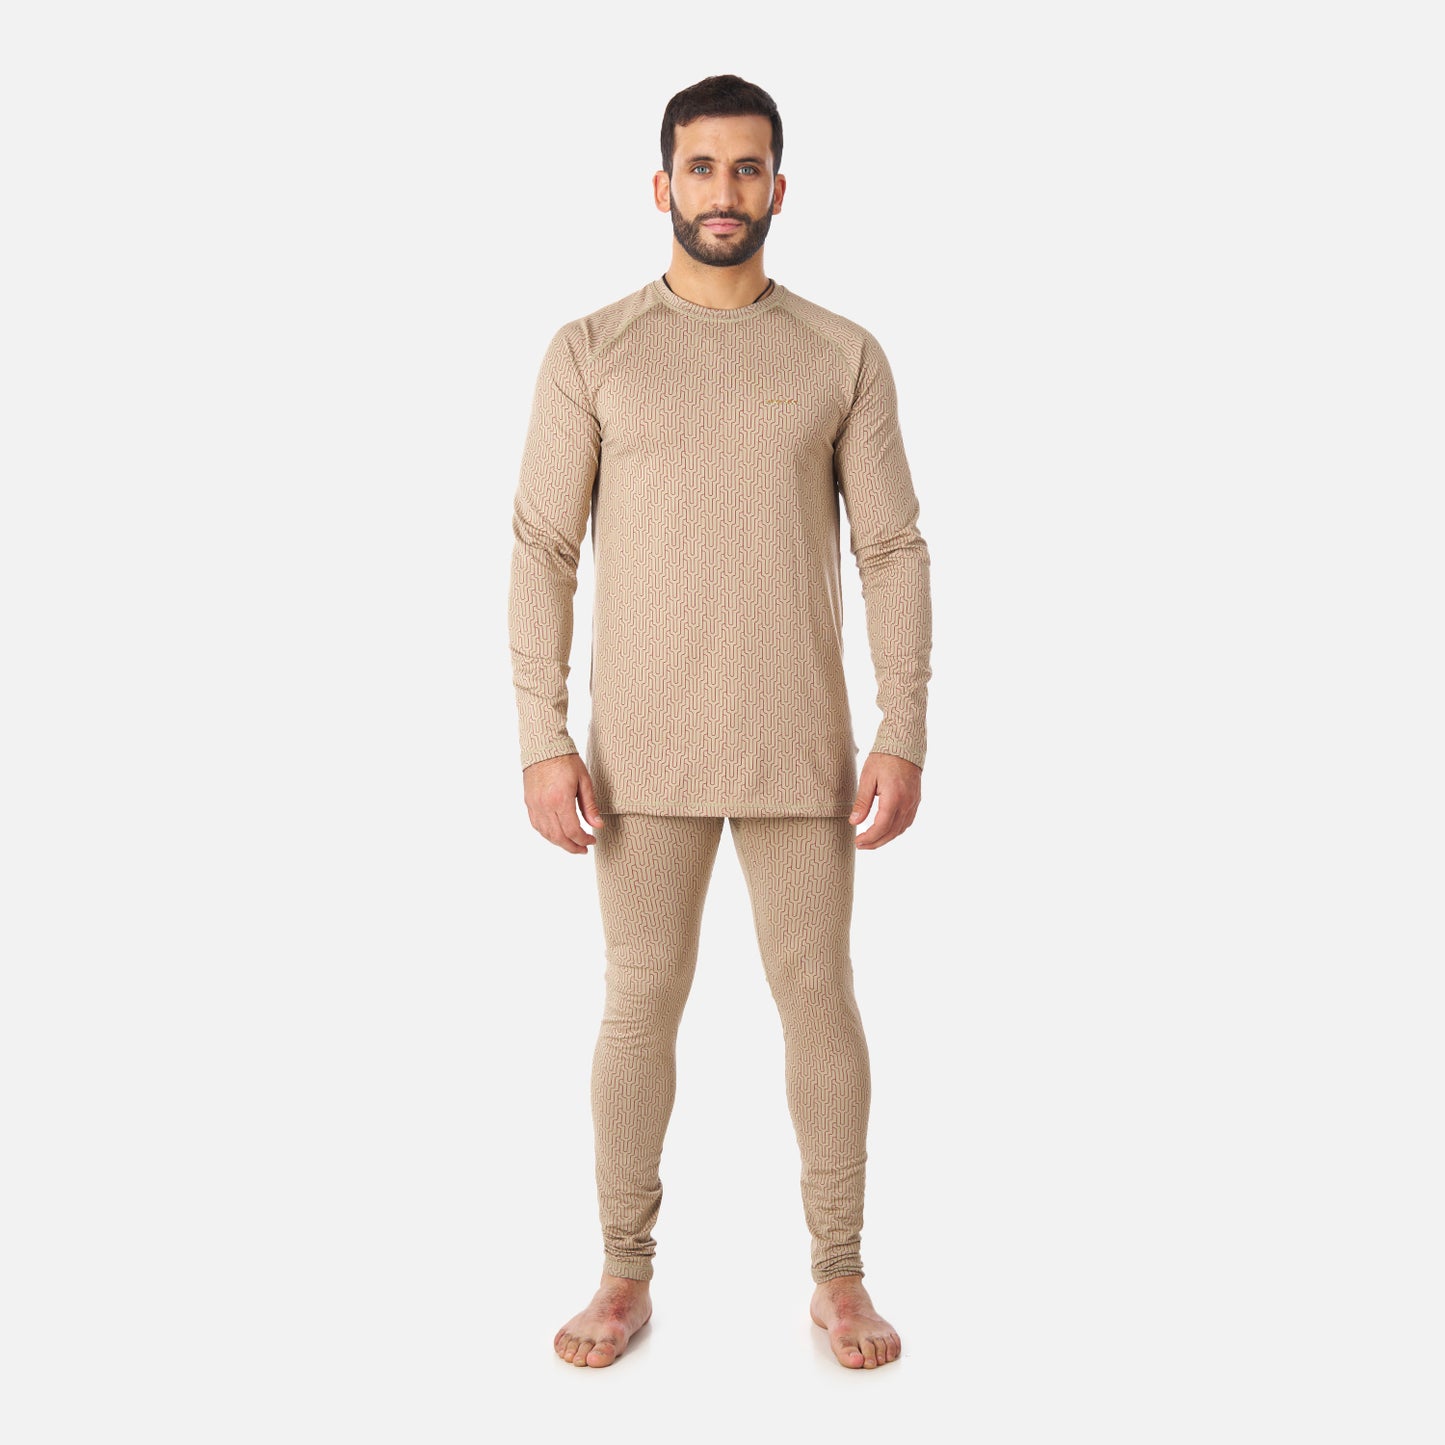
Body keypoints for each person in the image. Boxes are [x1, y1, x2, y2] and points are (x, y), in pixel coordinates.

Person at [508, 74, 932, 1370]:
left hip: (800, 745)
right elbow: (541, 547)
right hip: (638, 756)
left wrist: (902, 724)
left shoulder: (841, 354)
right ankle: (621, 1271)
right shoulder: (591, 350)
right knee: (638, 1006)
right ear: (662, 186)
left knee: (819, 1003)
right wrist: (541, 733)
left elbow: (892, 549)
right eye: (701, 168)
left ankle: (840, 1276)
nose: (724, 191)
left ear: (779, 187)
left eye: (747, 168)